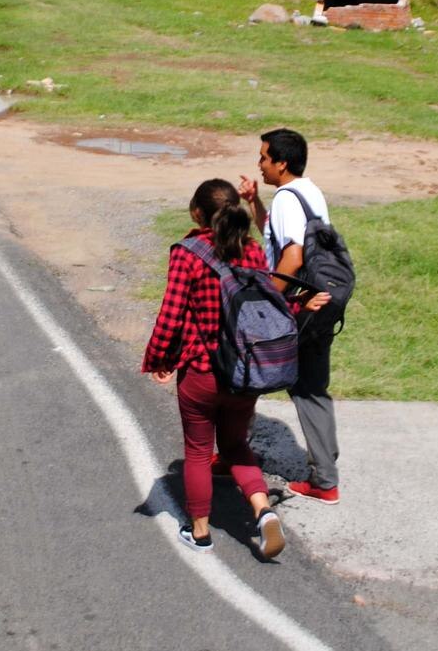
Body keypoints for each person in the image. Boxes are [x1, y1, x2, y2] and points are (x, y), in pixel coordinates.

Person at [142, 178, 328, 558]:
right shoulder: (252, 251)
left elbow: (170, 317)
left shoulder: (188, 253)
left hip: (201, 371)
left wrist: (159, 359)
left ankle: (200, 531)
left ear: (197, 212)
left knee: (197, 451)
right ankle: (262, 510)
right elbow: (265, 307)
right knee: (235, 444)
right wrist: (299, 307)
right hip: (245, 371)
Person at [239, 129, 340, 504]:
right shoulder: (308, 191)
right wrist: (254, 203)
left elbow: (292, 256)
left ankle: (233, 453)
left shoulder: (286, 198)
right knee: (311, 388)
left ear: (281, 163)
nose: (259, 163)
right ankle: (326, 482)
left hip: (299, 306)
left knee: (245, 373)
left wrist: (267, 303)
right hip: (324, 304)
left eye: (264, 157)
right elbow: (279, 237)